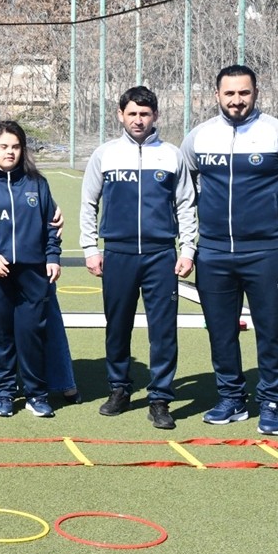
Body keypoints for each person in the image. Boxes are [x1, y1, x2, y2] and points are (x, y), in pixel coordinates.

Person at [181, 64, 278, 436]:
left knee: (271, 330)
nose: (236, 100)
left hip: (264, 251)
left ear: (255, 93)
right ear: (216, 95)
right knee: (220, 330)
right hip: (212, 252)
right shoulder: (198, 137)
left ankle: (272, 402)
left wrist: (275, 216)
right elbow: (184, 186)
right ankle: (231, 398)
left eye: (244, 93)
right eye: (229, 93)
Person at [79, 86, 197, 430]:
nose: (138, 120)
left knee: (163, 331)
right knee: (117, 326)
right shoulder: (105, 154)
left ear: (155, 116)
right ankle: (119, 389)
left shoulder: (172, 155)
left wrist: (187, 249)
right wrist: (90, 249)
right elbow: (89, 203)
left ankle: (160, 398)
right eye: (132, 113)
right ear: (120, 115)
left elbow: (186, 205)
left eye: (144, 114)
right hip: (118, 253)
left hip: (161, 255)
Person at [0, 96, 80, 404]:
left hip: (32, 272)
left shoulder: (37, 184)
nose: (10, 151)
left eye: (15, 146)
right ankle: (2, 394)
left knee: (32, 337)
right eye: (3, 146)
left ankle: (37, 395)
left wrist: (52, 256)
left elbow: (51, 223)